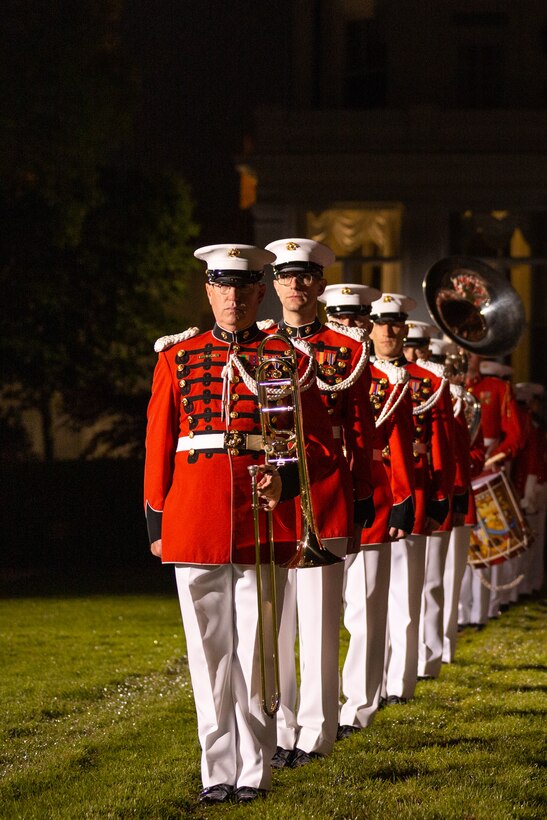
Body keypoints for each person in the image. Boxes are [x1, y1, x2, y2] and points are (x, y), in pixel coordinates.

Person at [143, 243, 349, 804]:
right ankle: (217, 771)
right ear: (208, 291)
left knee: (257, 655)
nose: (232, 298)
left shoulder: (280, 358)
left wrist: (284, 483)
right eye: (221, 286)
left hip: (259, 517)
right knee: (207, 655)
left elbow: (300, 442)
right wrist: (155, 520)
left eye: (243, 287)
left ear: (260, 292)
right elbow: (159, 443)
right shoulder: (176, 356)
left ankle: (254, 771)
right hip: (192, 516)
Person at [263, 239, 376, 765]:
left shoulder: (347, 350)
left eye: (305, 276)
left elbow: (361, 432)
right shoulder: (256, 344)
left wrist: (361, 497)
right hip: (268, 495)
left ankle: (316, 731)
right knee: (275, 624)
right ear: (275, 284)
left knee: (318, 620)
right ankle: (280, 729)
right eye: (286, 276)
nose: (295, 285)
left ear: (320, 285)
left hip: (324, 490)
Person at [321, 283, 415, 735]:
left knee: (365, 609)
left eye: (360, 319)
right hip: (318, 496)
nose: (352, 326)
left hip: (371, 500)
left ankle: (357, 708)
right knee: (316, 613)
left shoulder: (389, 380)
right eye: (343, 319)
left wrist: (401, 500)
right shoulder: (310, 363)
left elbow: (396, 447)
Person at [369, 294, 455, 705]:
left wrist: (439, 498)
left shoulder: (430, 381)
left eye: (394, 323)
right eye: (380, 323)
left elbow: (440, 444)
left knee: (405, 595)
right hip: (370, 487)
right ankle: (369, 681)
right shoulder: (356, 374)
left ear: (404, 328)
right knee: (363, 602)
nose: (387, 330)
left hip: (412, 489)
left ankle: (398, 683)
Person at [403, 324, 460, 681]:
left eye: (416, 347)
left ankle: (431, 653)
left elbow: (444, 441)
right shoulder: (376, 375)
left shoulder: (430, 383)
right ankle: (400, 663)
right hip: (394, 484)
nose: (411, 354)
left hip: (424, 481)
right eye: (407, 347)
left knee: (432, 580)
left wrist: (443, 492)